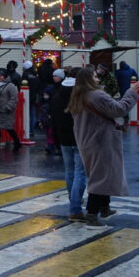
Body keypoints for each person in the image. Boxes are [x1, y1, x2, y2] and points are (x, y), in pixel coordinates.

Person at [69, 66, 139, 228]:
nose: (98, 79)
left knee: (102, 175)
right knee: (100, 178)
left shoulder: (78, 95)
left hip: (87, 141)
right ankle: (92, 214)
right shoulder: (96, 95)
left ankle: (103, 207)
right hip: (100, 141)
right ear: (88, 79)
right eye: (94, 77)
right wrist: (131, 92)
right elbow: (120, 109)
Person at [50, 67, 87, 222]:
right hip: (79, 138)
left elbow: (53, 119)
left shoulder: (57, 95)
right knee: (80, 172)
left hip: (63, 138)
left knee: (69, 171)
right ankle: (76, 207)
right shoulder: (82, 96)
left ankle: (74, 201)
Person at [0, 69, 21, 152]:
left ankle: (17, 142)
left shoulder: (11, 86)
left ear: (5, 76)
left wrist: (7, 107)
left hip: (6, 111)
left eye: (1, 76)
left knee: (8, 128)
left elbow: (14, 98)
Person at [39, 69, 64, 155]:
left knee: (57, 130)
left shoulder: (62, 88)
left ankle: (58, 146)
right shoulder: (51, 87)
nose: (54, 77)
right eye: (53, 76)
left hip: (58, 111)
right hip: (50, 111)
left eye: (56, 76)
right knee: (50, 129)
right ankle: (51, 145)